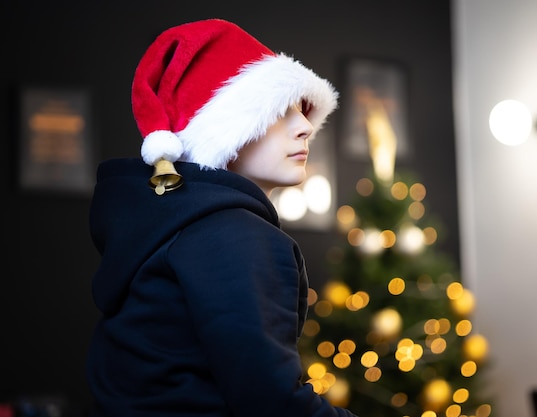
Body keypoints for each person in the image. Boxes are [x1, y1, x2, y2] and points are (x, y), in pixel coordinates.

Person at [86, 18, 358, 417]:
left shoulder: (175, 223)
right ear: (226, 131)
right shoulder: (236, 235)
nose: (305, 127)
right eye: (281, 109)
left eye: (302, 110)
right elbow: (272, 404)